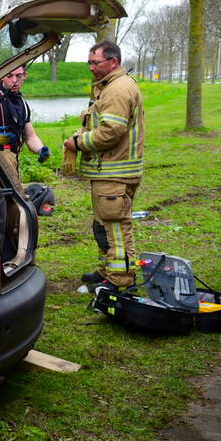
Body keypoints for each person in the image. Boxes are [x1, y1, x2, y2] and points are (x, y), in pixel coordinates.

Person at [63, 41, 145, 291]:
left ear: (114, 62)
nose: (91, 68)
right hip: (110, 172)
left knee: (115, 229)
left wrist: (77, 143)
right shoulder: (112, 86)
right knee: (103, 226)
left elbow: (111, 132)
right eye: (89, 63)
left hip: (114, 173)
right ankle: (105, 272)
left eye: (95, 63)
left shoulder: (117, 90)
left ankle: (119, 281)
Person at [0, 65, 50, 177]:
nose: (14, 81)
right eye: (9, 76)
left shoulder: (22, 104)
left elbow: (30, 137)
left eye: (18, 76)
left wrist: (41, 149)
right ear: (1, 77)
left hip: (12, 161)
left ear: (25, 75)